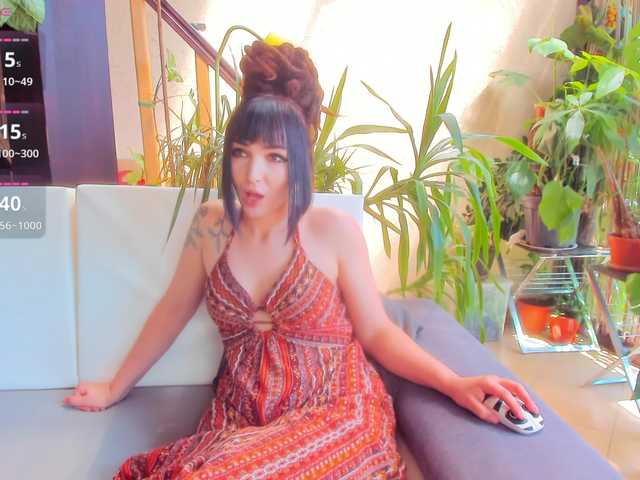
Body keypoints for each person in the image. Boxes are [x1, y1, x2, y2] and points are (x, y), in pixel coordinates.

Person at [62, 39, 539, 479]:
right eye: (241, 152)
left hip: (335, 412)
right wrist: (113, 388)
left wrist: (455, 383)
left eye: (275, 157)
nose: (253, 176)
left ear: (302, 153)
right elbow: (172, 310)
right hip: (242, 419)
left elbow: (377, 331)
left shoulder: (333, 231)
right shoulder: (210, 225)